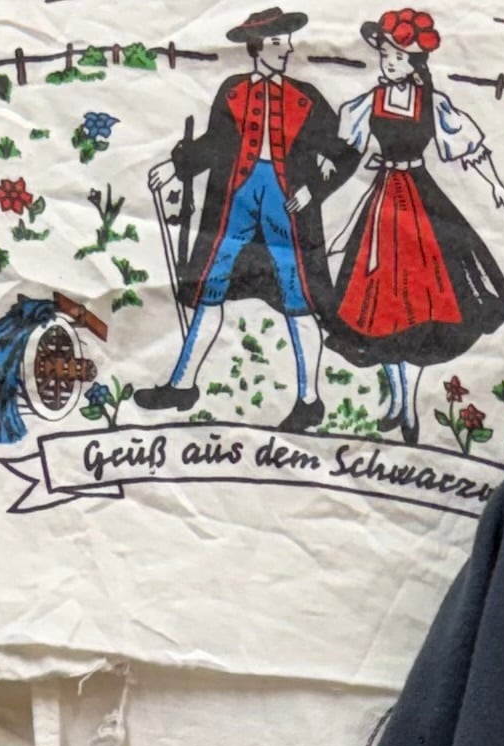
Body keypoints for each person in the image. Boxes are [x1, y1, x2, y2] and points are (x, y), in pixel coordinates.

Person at [138, 7, 356, 434]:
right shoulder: (233, 91)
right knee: (209, 288)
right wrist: (176, 165)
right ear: (256, 48)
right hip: (234, 200)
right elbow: (215, 143)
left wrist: (313, 190)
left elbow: (344, 152)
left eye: (287, 41)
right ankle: (182, 386)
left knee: (298, 296)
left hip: (287, 205)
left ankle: (309, 400)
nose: (287, 49)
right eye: (277, 42)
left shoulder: (307, 98)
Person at [323, 9, 504, 444]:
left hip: (419, 202)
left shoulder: (432, 104)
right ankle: (396, 401)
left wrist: (497, 186)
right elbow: (345, 147)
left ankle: (408, 404)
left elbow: (468, 149)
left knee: (419, 303)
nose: (388, 62)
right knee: (379, 306)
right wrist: (323, 168)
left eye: (396, 56)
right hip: (382, 205)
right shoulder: (369, 101)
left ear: (414, 62)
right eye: (385, 55)